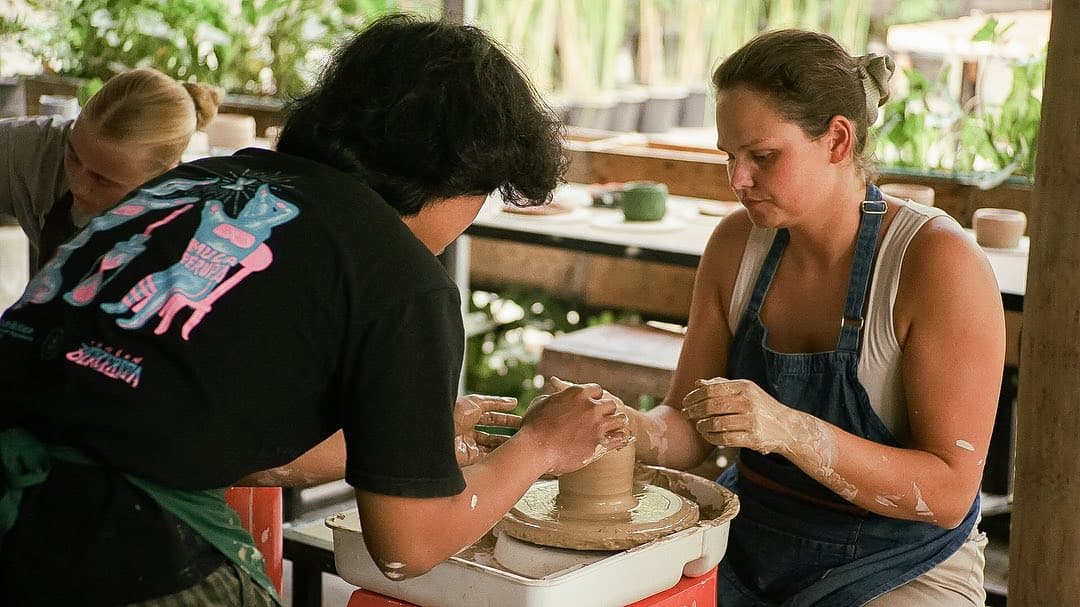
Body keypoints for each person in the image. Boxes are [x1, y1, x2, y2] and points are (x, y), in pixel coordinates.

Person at [0, 15, 632, 606]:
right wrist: (540, 447)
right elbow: (407, 548)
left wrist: (421, 439)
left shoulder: (191, 184)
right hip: (112, 547)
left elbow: (198, 426)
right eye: (483, 193)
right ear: (455, 175)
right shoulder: (400, 275)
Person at [622, 30, 1004, 606]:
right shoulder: (736, 245)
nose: (738, 180)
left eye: (763, 157)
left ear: (837, 141)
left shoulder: (935, 262)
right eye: (729, 157)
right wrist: (628, 429)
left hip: (901, 560)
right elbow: (688, 424)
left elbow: (950, 492)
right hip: (752, 538)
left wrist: (792, 430)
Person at [0, 67, 223, 271]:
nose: (78, 186)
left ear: (162, 178)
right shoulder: (44, 148)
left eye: (102, 179)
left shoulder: (186, 245)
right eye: (73, 155)